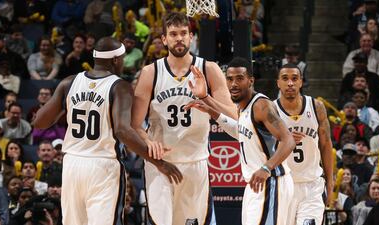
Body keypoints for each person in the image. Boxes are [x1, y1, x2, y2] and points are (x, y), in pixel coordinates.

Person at [32, 36, 183, 225]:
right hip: (103, 166)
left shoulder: (69, 82)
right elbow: (122, 130)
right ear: (115, 60)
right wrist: (158, 162)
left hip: (72, 164)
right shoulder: (120, 87)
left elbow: (39, 122)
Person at [131, 12, 236, 225]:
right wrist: (148, 142)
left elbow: (233, 116)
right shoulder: (151, 72)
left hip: (195, 163)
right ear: (164, 39)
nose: (179, 38)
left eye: (183, 33)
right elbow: (134, 125)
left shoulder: (209, 69)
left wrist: (206, 97)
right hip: (160, 165)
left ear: (190, 37)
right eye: (173, 34)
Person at [184, 57, 296, 225]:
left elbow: (288, 141)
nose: (234, 84)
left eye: (239, 78)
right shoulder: (244, 107)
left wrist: (266, 167)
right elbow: (240, 132)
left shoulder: (261, 105)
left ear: (250, 81)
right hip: (255, 184)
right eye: (229, 79)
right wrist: (207, 101)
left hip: (271, 182)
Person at [271, 63, 334, 224]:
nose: (290, 83)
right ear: (278, 82)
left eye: (294, 78)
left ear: (301, 82)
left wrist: (331, 182)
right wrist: (284, 140)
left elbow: (326, 145)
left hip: (312, 185)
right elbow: (263, 149)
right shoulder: (270, 110)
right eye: (285, 79)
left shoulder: (316, 107)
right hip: (283, 185)